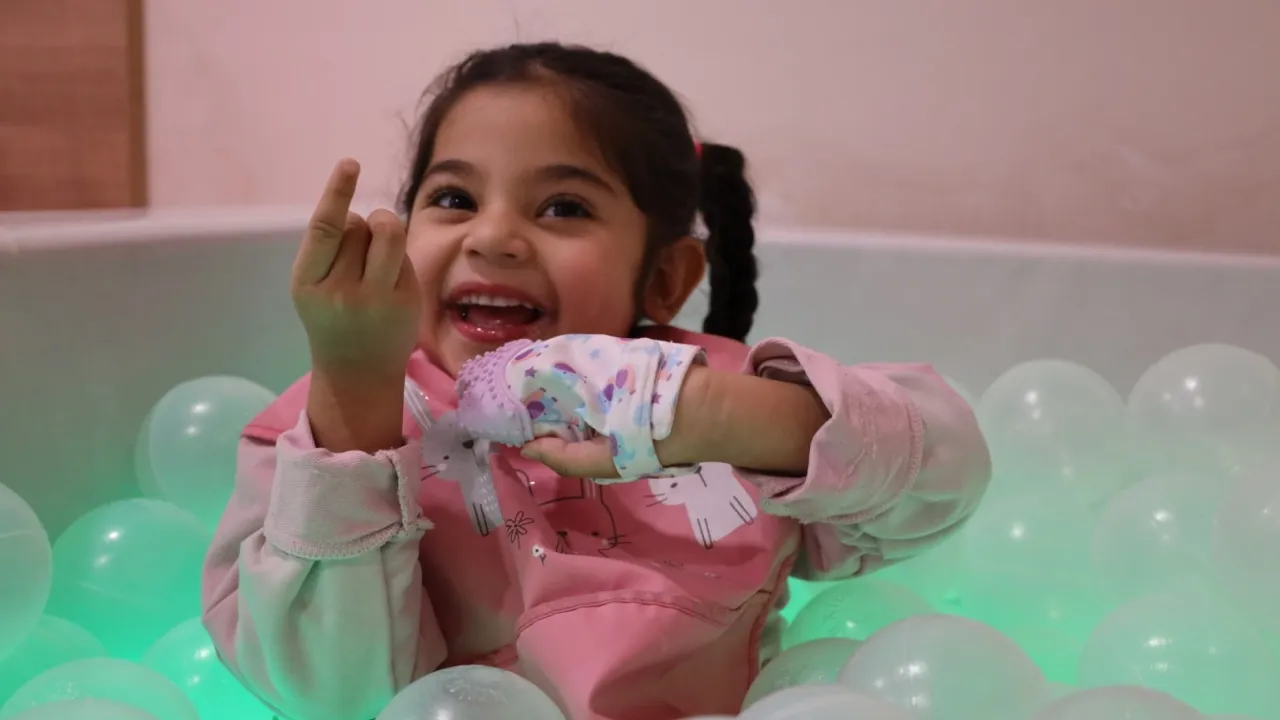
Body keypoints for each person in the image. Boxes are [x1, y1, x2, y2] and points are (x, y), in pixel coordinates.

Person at [201, 42, 991, 720]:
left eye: (563, 208)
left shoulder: (712, 396)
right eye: (454, 198)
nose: (494, 237)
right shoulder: (326, 430)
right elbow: (332, 697)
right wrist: (355, 395)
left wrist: (721, 417)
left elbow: (942, 475)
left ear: (665, 279)